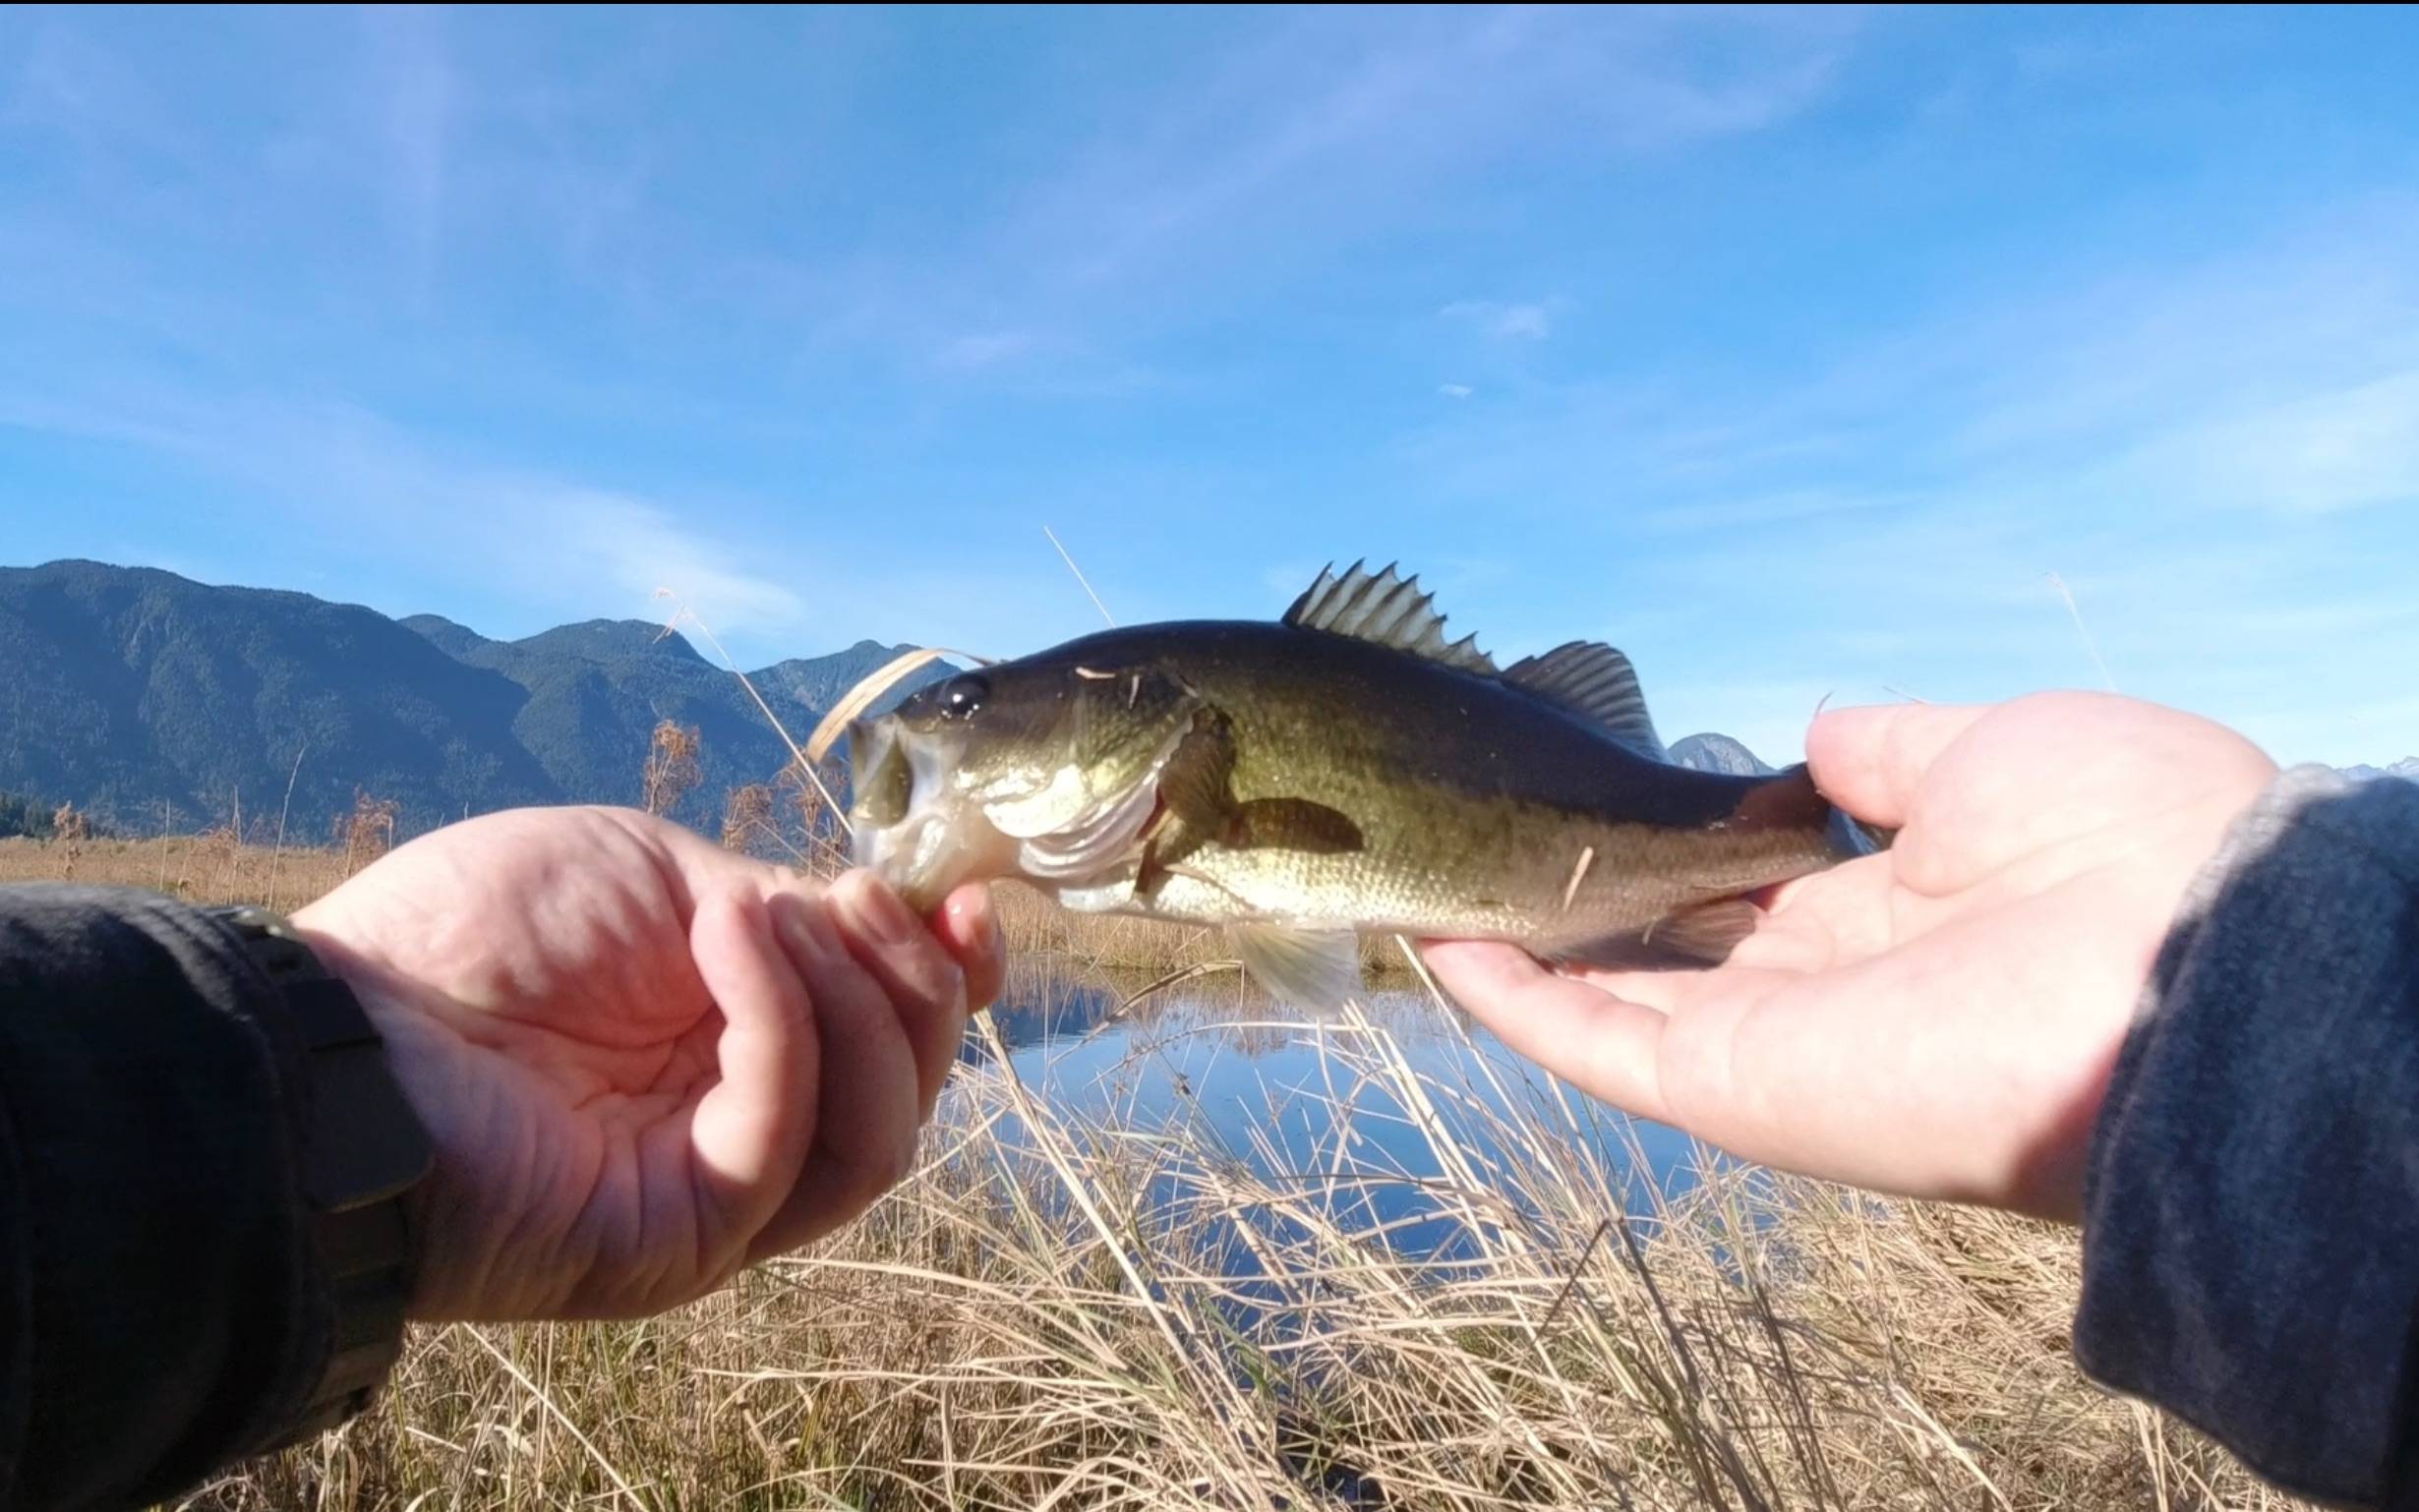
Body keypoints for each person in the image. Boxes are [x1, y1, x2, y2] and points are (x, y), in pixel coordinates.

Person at [0, 690, 2411, 1508]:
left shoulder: (1231, 770)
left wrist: (2223, 990)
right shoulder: (1134, 808)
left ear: (1137, 738)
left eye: (976, 727)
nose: (922, 763)